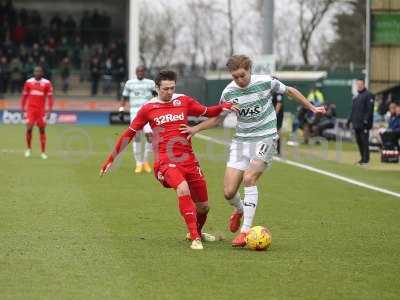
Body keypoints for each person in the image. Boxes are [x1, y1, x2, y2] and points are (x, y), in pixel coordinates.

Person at [180, 55, 326, 247]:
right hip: (241, 141)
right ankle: (239, 210)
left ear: (250, 70)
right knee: (229, 192)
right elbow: (218, 119)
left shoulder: (265, 82)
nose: (239, 80)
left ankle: (245, 231)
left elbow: (290, 91)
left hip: (266, 137)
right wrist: (195, 129)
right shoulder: (229, 93)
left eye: (242, 75)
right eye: (235, 77)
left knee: (249, 178)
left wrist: (312, 108)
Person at [100, 70, 236, 250]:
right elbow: (129, 134)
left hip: (189, 160)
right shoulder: (148, 108)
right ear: (156, 88)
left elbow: (207, 111)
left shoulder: (184, 100)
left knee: (203, 207)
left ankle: (196, 232)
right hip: (165, 161)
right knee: (182, 188)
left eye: (172, 88)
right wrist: (111, 159)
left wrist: (224, 106)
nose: (170, 92)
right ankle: (195, 237)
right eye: (165, 89)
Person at [120, 66, 155, 174]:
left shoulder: (150, 83)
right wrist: (121, 109)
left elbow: (157, 96)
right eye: (138, 71)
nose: (140, 72)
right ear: (135, 72)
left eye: (142, 71)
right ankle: (138, 163)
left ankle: (145, 162)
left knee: (150, 135)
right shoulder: (130, 83)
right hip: (135, 113)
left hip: (148, 113)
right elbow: (124, 97)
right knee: (137, 137)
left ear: (144, 72)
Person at [20, 66, 54, 159]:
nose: (37, 73)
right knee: (29, 128)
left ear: (42, 73)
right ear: (33, 72)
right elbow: (24, 97)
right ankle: (28, 149)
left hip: (41, 111)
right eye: (36, 71)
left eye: (39, 71)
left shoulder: (47, 83)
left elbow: (50, 98)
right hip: (30, 110)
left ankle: (43, 152)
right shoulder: (28, 82)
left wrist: (49, 111)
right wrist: (22, 110)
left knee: (42, 130)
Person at [347, 78, 375, 165]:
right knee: (359, 141)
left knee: (364, 142)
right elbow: (353, 110)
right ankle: (362, 158)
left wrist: (366, 120)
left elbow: (369, 110)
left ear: (363, 84)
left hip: (364, 125)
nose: (359, 86)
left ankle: (366, 160)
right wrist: (349, 121)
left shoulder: (369, 95)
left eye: (360, 84)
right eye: (357, 84)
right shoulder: (356, 96)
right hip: (356, 123)